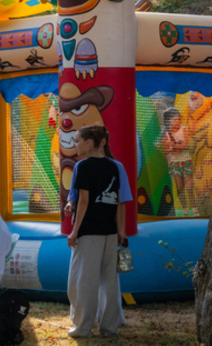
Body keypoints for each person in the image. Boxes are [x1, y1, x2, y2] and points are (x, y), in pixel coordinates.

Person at [67, 125, 126, 338]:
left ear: (88, 143)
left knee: (82, 282)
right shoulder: (114, 167)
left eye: (77, 141)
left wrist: (74, 231)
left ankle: (82, 328)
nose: (75, 145)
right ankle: (109, 327)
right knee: (108, 281)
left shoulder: (83, 167)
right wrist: (120, 230)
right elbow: (119, 201)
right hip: (109, 233)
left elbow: (83, 201)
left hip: (89, 233)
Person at [160, 108, 195, 216]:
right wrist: (171, 148)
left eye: (179, 119)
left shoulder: (183, 129)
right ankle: (185, 209)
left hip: (185, 161)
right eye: (175, 119)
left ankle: (194, 209)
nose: (178, 122)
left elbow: (185, 145)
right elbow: (165, 150)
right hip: (175, 163)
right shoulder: (167, 134)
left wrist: (174, 146)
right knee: (180, 188)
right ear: (168, 122)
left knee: (189, 187)